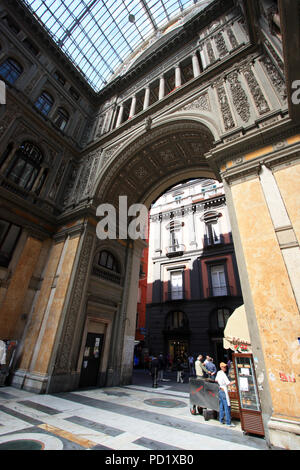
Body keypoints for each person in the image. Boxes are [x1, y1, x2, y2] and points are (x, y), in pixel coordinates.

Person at [215, 362, 236, 427]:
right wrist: (235, 381)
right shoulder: (223, 374)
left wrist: (220, 383)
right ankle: (228, 422)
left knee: (221, 406)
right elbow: (228, 383)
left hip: (220, 390)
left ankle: (221, 420)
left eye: (225, 367)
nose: (225, 368)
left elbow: (216, 380)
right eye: (224, 367)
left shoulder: (218, 373)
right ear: (221, 367)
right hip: (224, 390)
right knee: (227, 407)